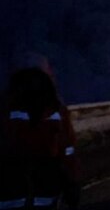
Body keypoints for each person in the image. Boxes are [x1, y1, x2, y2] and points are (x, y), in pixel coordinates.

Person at [0, 54, 79, 209]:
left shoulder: (5, 106)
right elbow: (67, 150)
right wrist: (72, 182)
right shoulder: (55, 108)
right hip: (45, 187)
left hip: (11, 189)